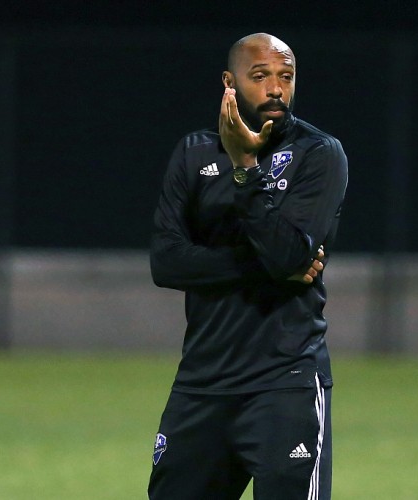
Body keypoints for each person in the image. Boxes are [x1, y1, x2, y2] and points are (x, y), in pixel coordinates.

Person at [147, 32, 347, 500]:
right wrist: (269, 267)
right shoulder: (194, 152)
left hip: (285, 384)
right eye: (260, 76)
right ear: (229, 82)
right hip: (202, 382)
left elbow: (287, 255)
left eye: (285, 76)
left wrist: (245, 168)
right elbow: (167, 263)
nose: (275, 88)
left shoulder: (318, 154)